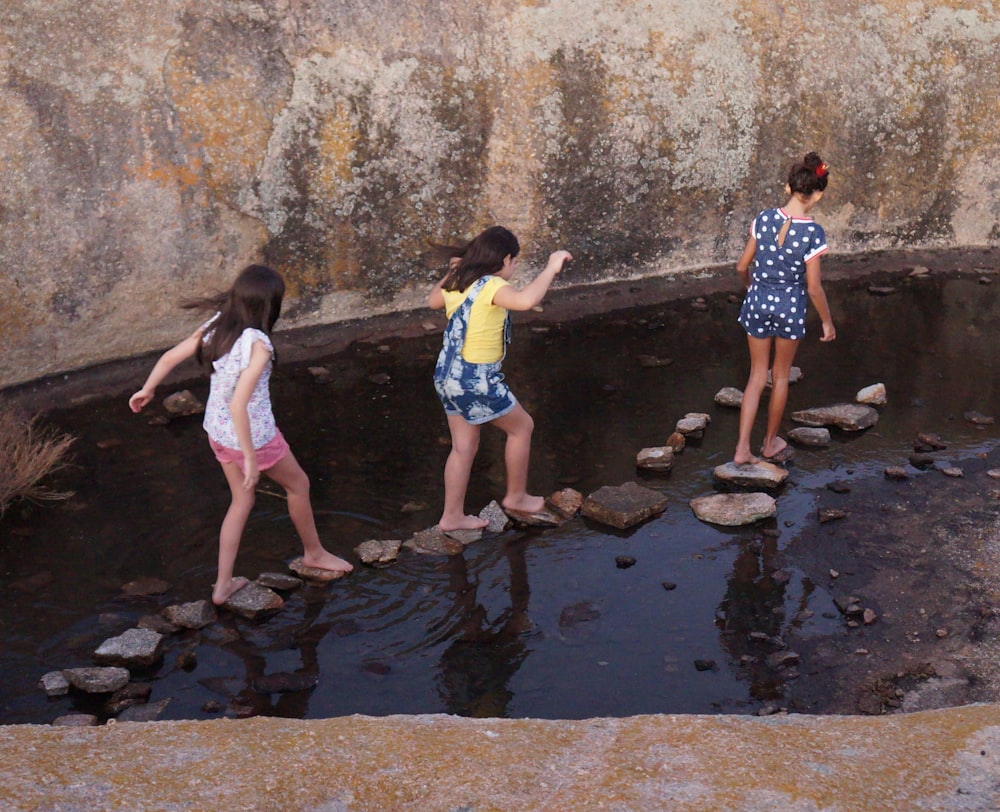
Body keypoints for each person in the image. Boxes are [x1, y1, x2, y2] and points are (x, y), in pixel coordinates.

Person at [129, 264, 352, 605]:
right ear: (269, 306)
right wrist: (250, 457)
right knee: (299, 485)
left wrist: (148, 388)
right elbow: (239, 405)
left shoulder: (218, 325)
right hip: (254, 437)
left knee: (242, 500)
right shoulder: (259, 346)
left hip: (216, 432)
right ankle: (315, 554)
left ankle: (222, 586)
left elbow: (171, 356)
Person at [428, 226, 572, 531]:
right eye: (515, 261)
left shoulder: (458, 282)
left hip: (447, 375)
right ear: (505, 259)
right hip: (475, 378)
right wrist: (551, 267)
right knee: (522, 428)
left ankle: (451, 516)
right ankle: (516, 496)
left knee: (463, 446)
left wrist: (454, 270)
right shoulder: (490, 285)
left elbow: (432, 302)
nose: (514, 267)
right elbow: (524, 301)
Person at [733, 152, 837, 465]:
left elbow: (741, 266)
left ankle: (741, 450)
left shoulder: (763, 219)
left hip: (757, 301)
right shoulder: (813, 233)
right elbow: (814, 287)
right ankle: (768, 444)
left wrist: (752, 287)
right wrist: (828, 323)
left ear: (787, 187)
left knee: (755, 377)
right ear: (817, 194)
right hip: (790, 307)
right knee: (779, 377)